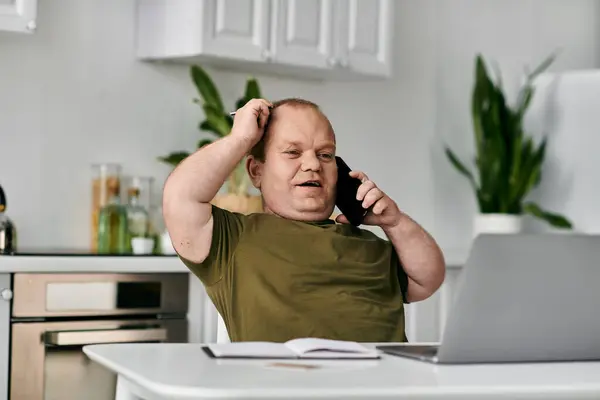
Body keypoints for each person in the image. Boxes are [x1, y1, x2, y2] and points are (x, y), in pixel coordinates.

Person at [163, 98, 445, 343]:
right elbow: (181, 198)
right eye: (292, 152)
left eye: (325, 155)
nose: (312, 164)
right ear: (256, 171)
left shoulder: (371, 246)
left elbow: (428, 279)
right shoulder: (232, 240)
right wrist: (241, 139)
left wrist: (394, 223)